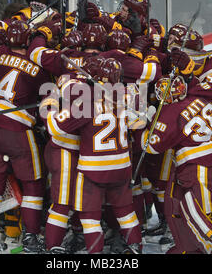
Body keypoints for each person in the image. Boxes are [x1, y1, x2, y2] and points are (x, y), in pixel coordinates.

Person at [40, 56, 143, 254]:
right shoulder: (127, 95)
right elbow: (139, 123)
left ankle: (95, 256)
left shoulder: (85, 102)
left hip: (92, 170)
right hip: (122, 167)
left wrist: (49, 105)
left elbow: (55, 128)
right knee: (126, 211)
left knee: (89, 218)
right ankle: (136, 248)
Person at [133, 73, 212, 254]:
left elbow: (151, 146)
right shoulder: (198, 97)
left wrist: (143, 124)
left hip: (200, 168)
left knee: (206, 222)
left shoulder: (169, 112)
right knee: (186, 210)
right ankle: (189, 248)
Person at [0, 20, 51, 253]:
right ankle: (30, 238)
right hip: (18, 132)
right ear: (29, 42)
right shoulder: (38, 66)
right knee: (33, 184)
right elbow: (47, 101)